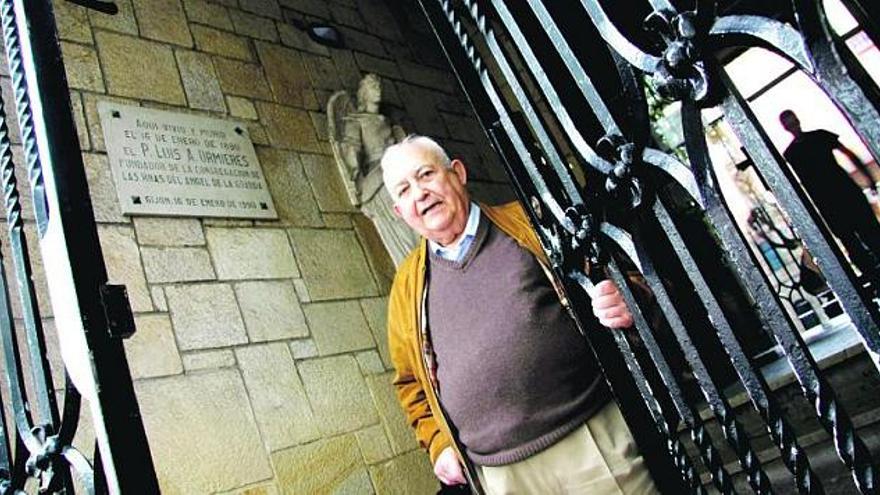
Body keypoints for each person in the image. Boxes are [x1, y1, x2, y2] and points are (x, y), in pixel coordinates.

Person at [382, 135, 657, 494]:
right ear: (399, 213)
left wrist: (627, 298)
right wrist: (438, 443)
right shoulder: (406, 287)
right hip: (501, 478)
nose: (419, 193)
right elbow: (410, 385)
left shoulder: (532, 222)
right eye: (403, 190)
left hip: (590, 443)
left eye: (426, 175)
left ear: (458, 173)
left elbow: (625, 278)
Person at [779, 109, 880, 280]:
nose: (793, 125)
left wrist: (869, 178)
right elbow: (848, 154)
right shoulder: (798, 150)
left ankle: (873, 278)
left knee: (867, 236)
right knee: (856, 241)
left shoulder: (801, 148)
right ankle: (873, 278)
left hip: (841, 197)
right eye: (790, 123)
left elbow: (849, 154)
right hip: (834, 200)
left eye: (792, 121)